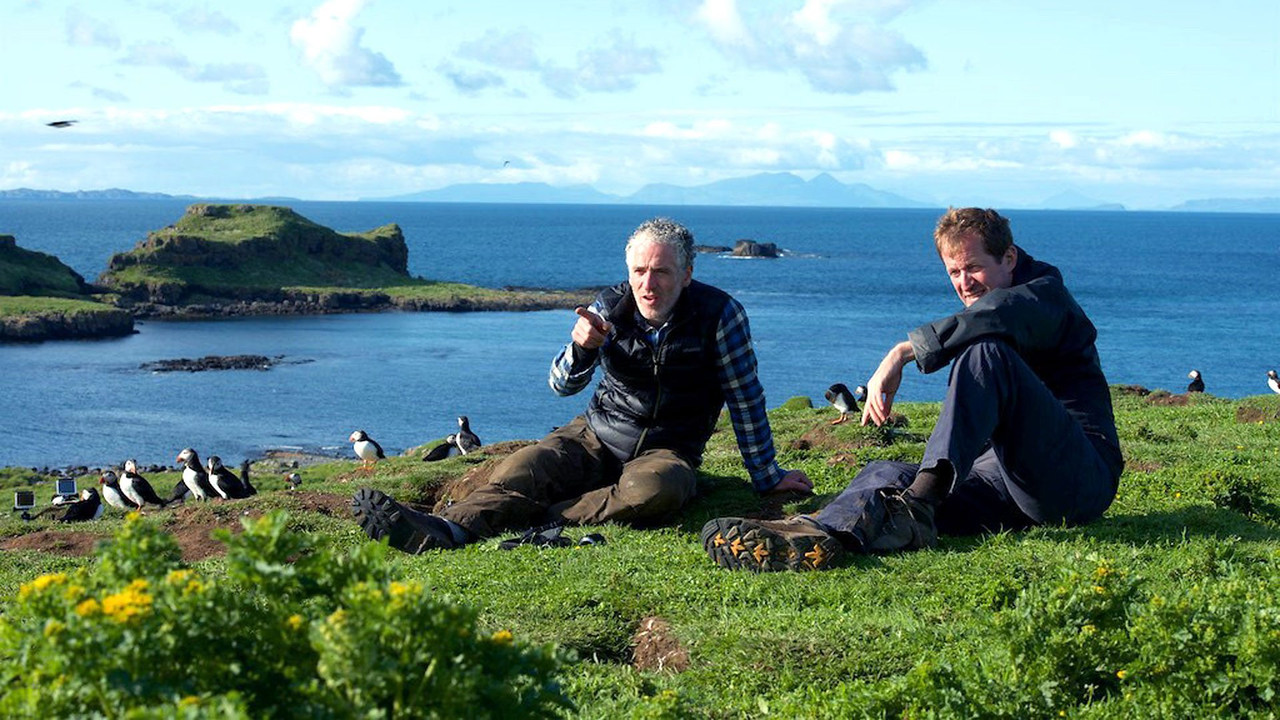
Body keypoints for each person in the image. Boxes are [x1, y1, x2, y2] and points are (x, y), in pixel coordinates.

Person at [352, 217, 812, 553]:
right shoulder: (608, 307)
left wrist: (766, 477)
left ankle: (544, 515)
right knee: (524, 466)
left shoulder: (720, 315)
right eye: (639, 272)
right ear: (628, 271)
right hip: (595, 433)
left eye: (662, 272)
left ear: (687, 274)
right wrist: (582, 348)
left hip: (669, 449)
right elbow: (560, 385)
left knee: (656, 490)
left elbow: (745, 397)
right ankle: (443, 529)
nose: (648, 284)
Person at [702, 207, 1123, 572]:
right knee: (884, 472)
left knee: (984, 353)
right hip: (1008, 483)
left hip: (1077, 482)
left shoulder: (1046, 295)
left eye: (973, 267)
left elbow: (1002, 315)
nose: (965, 283)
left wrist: (903, 351)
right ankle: (818, 534)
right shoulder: (993, 306)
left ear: (1009, 257)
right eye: (953, 273)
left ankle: (917, 508)